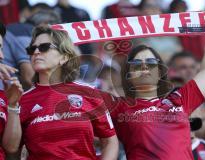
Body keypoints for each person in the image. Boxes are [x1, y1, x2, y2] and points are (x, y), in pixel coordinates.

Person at [5, 26, 119, 160]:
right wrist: (12, 105)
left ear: (64, 57)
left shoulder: (89, 93)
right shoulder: (22, 99)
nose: (36, 52)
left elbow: (110, 141)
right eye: (31, 49)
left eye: (44, 47)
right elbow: (11, 150)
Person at [110, 31, 205, 160]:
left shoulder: (180, 99)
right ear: (128, 75)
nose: (144, 66)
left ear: (159, 72)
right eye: (137, 64)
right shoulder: (119, 107)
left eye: (151, 63)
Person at [0, 22, 23, 158]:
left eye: (1, 49)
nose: (2, 56)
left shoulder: (4, 96)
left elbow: (11, 148)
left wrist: (13, 105)